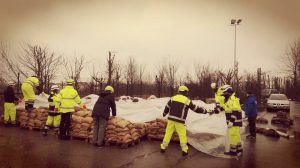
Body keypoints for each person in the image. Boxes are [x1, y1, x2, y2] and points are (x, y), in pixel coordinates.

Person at [160, 85, 213, 156]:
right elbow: (196, 109)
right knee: (182, 135)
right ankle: (184, 150)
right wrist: (206, 111)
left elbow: (167, 106)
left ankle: (163, 147)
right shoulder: (187, 100)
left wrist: (164, 113)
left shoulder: (173, 98)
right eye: (186, 92)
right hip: (180, 121)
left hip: (171, 119)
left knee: (168, 133)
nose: (187, 93)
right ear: (185, 92)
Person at [221, 85, 243, 157]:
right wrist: (215, 111)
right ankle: (239, 149)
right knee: (236, 136)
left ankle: (233, 152)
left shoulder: (233, 99)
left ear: (228, 92)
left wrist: (231, 121)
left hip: (234, 122)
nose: (224, 95)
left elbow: (235, 111)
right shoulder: (229, 99)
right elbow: (225, 107)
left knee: (233, 136)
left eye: (224, 93)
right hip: (234, 122)